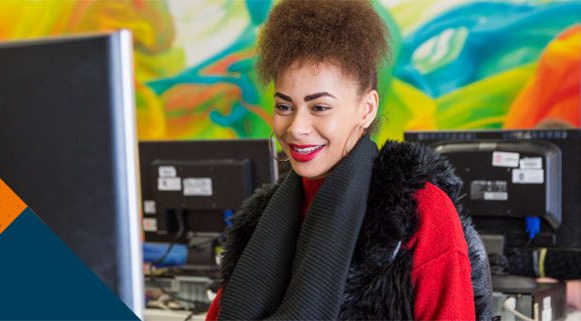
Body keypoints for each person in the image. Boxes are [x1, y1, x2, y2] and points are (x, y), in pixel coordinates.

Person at [205, 1, 492, 320]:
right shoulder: (260, 221)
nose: (297, 128)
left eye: (320, 107)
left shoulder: (417, 211)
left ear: (366, 109)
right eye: (285, 107)